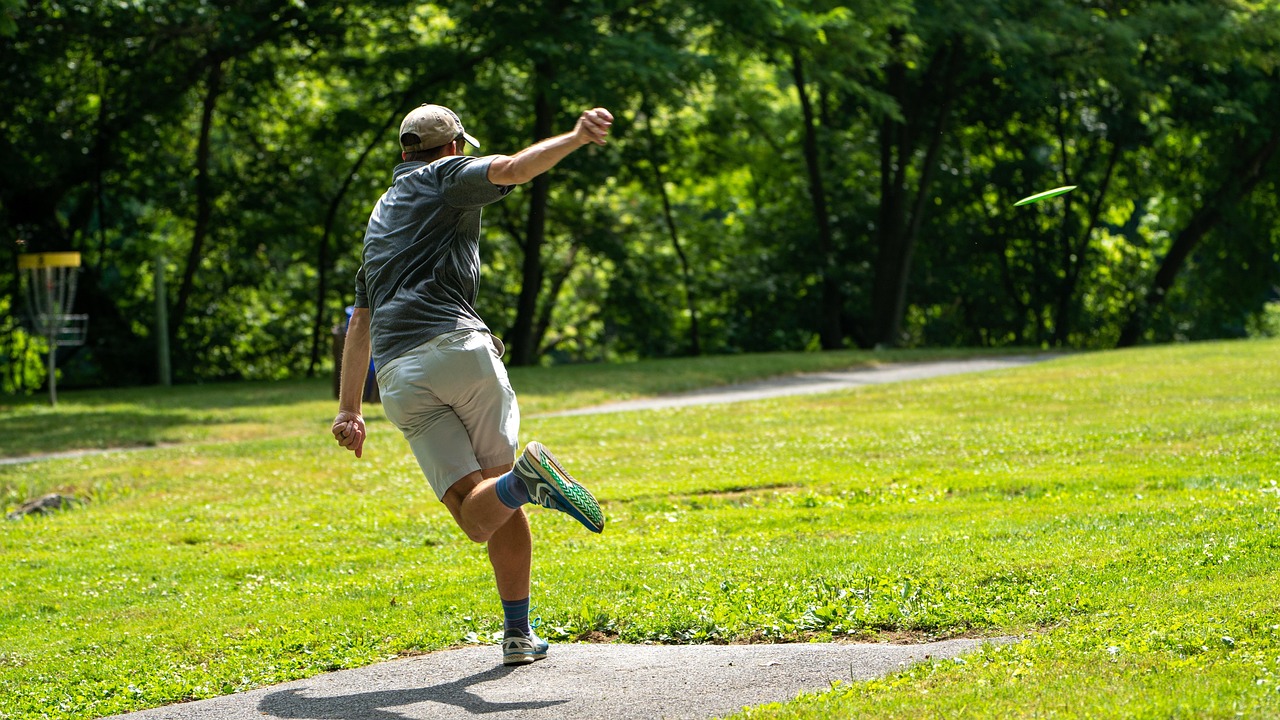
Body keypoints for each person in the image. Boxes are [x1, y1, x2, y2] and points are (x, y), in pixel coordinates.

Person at [331, 102, 613, 667]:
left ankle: (517, 635)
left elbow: (359, 321)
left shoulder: (379, 218)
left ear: (403, 153)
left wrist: (349, 410)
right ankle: (524, 483)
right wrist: (577, 138)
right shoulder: (445, 176)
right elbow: (511, 170)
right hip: (461, 352)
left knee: (476, 514)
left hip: (398, 376)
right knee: (498, 495)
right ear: (455, 147)